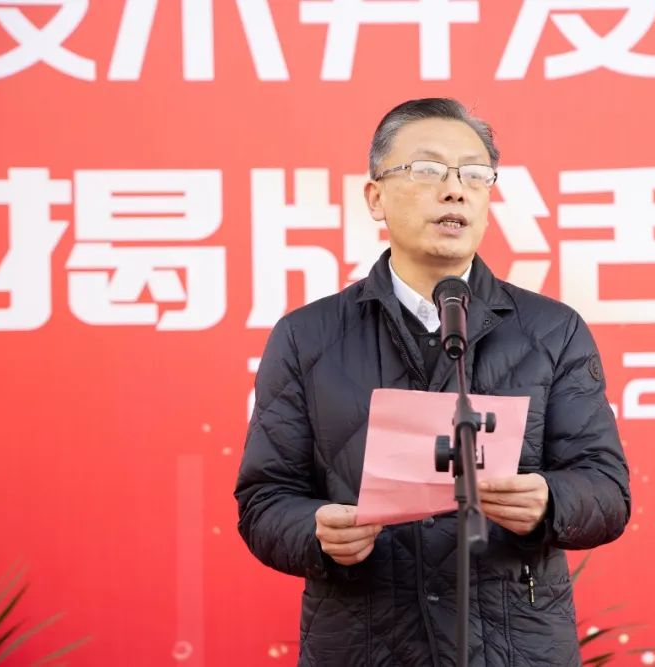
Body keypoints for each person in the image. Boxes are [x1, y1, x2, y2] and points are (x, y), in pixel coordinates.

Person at [235, 98, 631, 666]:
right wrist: (315, 531)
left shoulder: (552, 331)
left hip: (514, 647)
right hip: (364, 645)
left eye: (474, 174)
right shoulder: (307, 337)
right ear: (375, 197)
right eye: (428, 170)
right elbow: (264, 500)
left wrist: (550, 501)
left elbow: (607, 490)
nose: (455, 191)